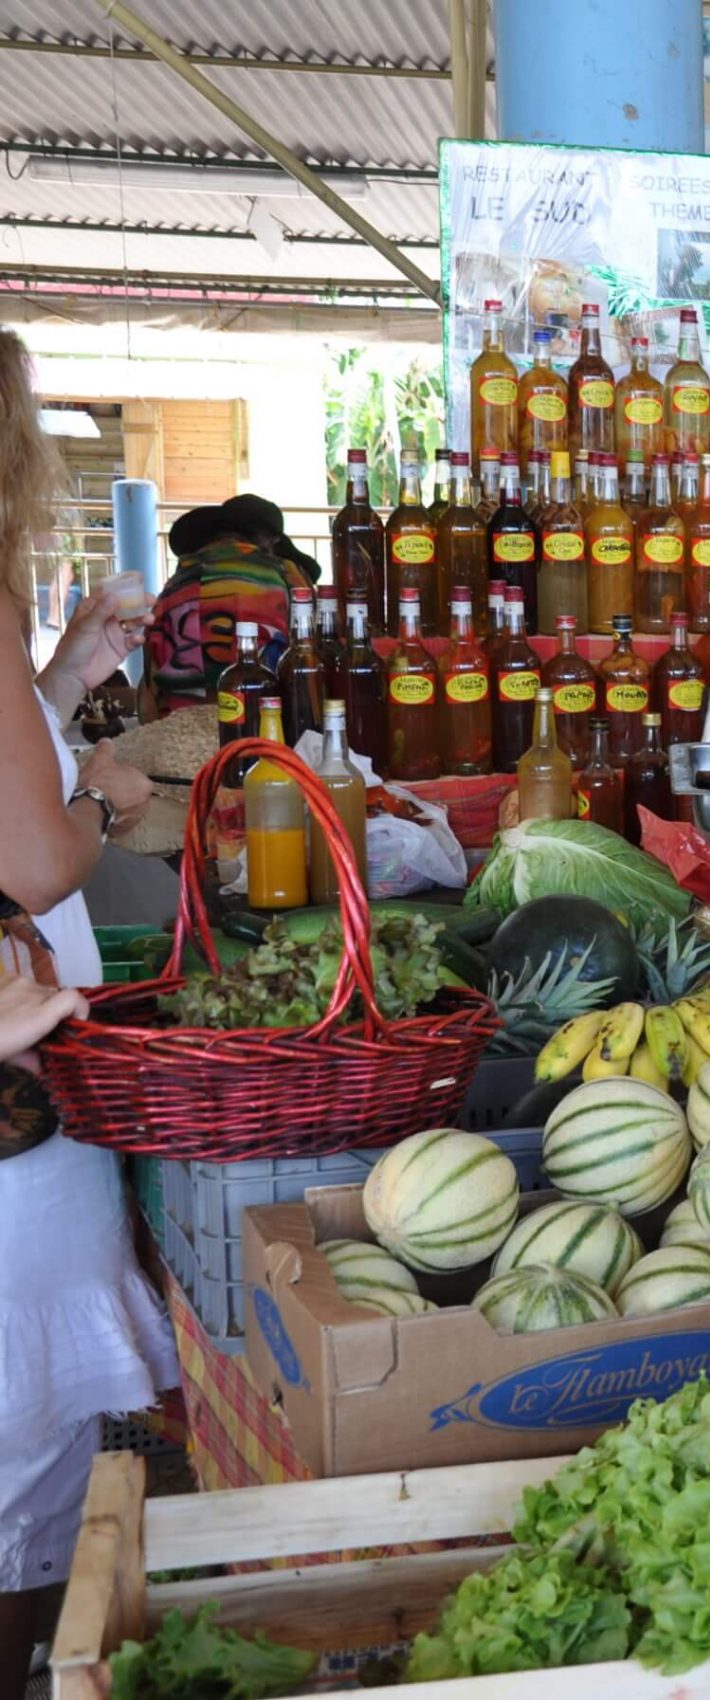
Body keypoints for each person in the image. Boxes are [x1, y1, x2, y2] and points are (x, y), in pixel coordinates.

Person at [0, 328, 177, 1690]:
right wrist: (103, 798)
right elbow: (35, 859)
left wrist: (60, 680)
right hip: (15, 1068)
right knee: (26, 1437)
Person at [142, 494, 317, 714]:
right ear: (268, 541)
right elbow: (312, 654)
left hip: (179, 726)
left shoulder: (174, 585)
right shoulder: (288, 574)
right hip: (266, 722)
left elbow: (149, 678)